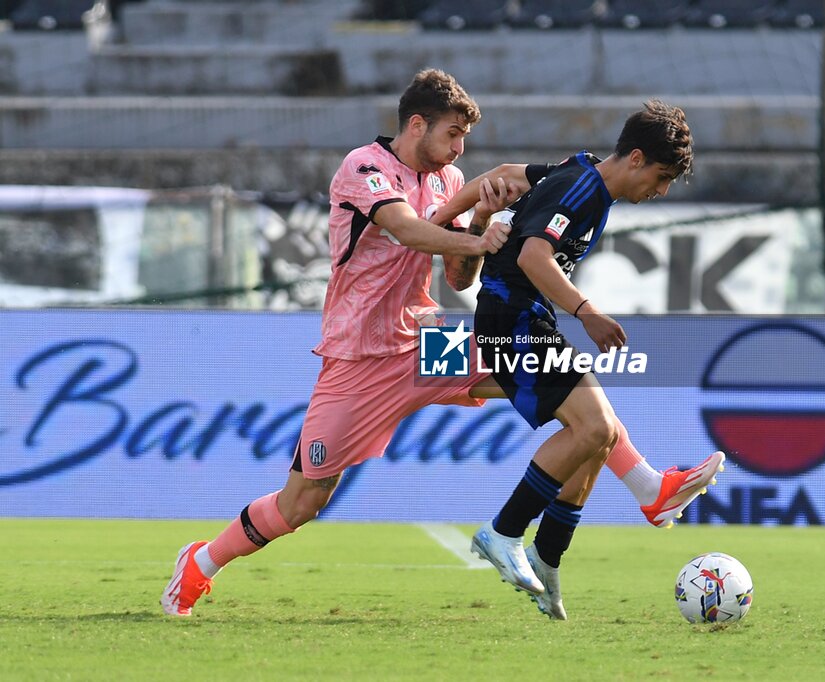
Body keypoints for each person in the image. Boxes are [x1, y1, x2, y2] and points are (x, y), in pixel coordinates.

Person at [160, 71, 715, 619]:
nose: (458, 149)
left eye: (464, 139)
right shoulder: (365, 167)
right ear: (417, 124)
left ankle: (648, 488)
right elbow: (407, 230)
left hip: (429, 340)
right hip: (359, 358)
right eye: (452, 134)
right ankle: (202, 562)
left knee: (572, 392)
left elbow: (458, 279)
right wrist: (478, 233)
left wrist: (480, 216)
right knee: (303, 501)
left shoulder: (451, 182)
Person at [466, 100, 725, 620]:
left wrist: (451, 215)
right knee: (592, 427)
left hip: (523, 319)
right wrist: (587, 312)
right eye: (662, 176)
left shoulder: (577, 173)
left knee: (600, 433)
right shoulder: (581, 187)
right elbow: (531, 256)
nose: (662, 190)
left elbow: (504, 174)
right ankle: (504, 532)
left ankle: (549, 555)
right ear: (634, 157)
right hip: (511, 322)